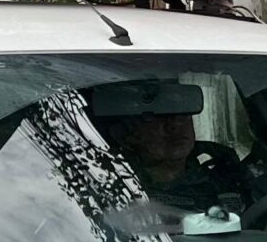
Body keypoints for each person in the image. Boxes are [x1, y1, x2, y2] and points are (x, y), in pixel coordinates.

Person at [86, 79, 245, 213]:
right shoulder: (110, 190)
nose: (174, 124)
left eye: (182, 113)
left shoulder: (225, 175)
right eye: (154, 116)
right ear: (124, 134)